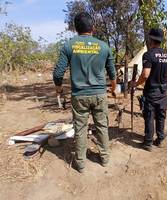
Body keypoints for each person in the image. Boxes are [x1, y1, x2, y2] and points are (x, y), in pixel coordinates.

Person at [53, 12, 116, 173]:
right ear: (93, 28)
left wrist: (59, 89)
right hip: (100, 94)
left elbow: (58, 73)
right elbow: (112, 73)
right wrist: (113, 88)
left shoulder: (69, 45)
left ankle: (80, 164)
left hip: (79, 95)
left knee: (80, 129)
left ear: (75, 28)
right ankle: (105, 158)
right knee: (102, 126)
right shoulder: (104, 46)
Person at [134, 28, 167, 151]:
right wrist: (165, 83)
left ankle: (148, 143)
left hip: (151, 91)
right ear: (161, 41)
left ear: (150, 39)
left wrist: (135, 84)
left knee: (150, 116)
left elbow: (145, 74)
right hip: (163, 91)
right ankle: (160, 139)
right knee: (161, 116)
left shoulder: (149, 55)